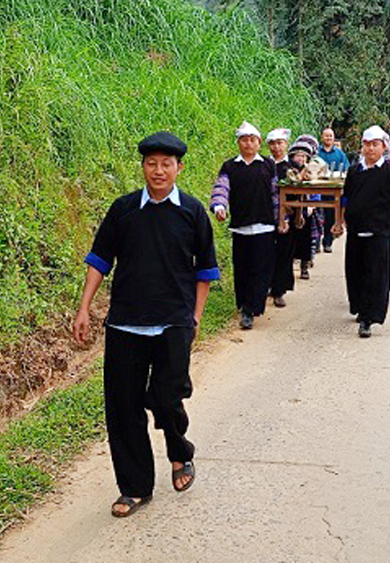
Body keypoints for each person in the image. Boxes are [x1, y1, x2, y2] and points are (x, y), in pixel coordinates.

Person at [72, 131, 220, 518]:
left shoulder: (191, 211)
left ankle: (178, 450)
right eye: (151, 164)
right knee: (122, 408)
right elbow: (100, 261)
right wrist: (84, 308)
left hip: (174, 322)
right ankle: (135, 487)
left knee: (167, 398)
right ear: (143, 167)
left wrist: (195, 318)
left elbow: (204, 271)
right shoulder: (123, 210)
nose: (158, 171)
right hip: (125, 324)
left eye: (166, 164)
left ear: (178, 168)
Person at [333, 125, 390, 338]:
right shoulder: (355, 171)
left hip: (381, 231)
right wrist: (339, 221)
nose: (371, 149)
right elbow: (344, 199)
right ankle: (360, 308)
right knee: (355, 272)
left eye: (375, 145)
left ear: (384, 147)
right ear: (362, 147)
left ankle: (368, 318)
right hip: (356, 230)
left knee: (377, 275)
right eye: (367, 145)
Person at [211, 122, 277, 330]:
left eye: (252, 140)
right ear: (238, 143)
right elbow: (222, 188)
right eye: (244, 139)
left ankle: (253, 307)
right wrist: (219, 206)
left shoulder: (268, 165)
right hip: (240, 226)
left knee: (261, 268)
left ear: (259, 143)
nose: (248, 143)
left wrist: (281, 218)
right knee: (242, 268)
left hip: (265, 225)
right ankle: (245, 307)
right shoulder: (230, 166)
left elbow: (276, 194)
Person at [267, 128, 294, 307]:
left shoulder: (293, 167)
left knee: (284, 253)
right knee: (265, 253)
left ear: (286, 144)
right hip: (265, 214)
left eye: (280, 143)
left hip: (287, 216)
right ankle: (265, 285)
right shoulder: (263, 165)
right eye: (273, 143)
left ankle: (279, 290)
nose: (276, 147)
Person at [287, 136, 321, 280]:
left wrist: (312, 204)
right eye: (297, 155)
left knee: (306, 240)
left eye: (303, 156)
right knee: (290, 240)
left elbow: (317, 189)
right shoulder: (289, 171)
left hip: (307, 208)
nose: (300, 159)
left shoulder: (313, 170)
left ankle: (304, 266)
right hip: (290, 208)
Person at [317, 127, 348, 254]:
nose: (329, 138)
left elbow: (346, 168)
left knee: (330, 216)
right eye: (326, 136)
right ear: (322, 137)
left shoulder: (339, 153)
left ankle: (328, 242)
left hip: (333, 189)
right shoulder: (316, 152)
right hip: (317, 188)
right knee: (317, 216)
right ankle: (316, 242)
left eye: (331, 136)